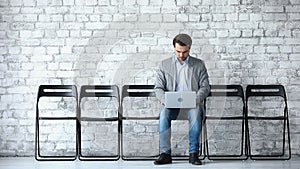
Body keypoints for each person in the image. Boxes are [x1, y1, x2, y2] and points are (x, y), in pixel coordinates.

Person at [154, 34, 210, 165]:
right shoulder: (164, 65)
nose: (181, 55)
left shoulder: (199, 64)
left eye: (184, 52)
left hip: (192, 104)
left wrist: (196, 99)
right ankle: (165, 154)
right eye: (178, 51)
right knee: (163, 115)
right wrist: (165, 100)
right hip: (171, 105)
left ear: (189, 48)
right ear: (174, 48)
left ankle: (193, 154)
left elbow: (205, 87)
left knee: (196, 114)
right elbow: (158, 88)